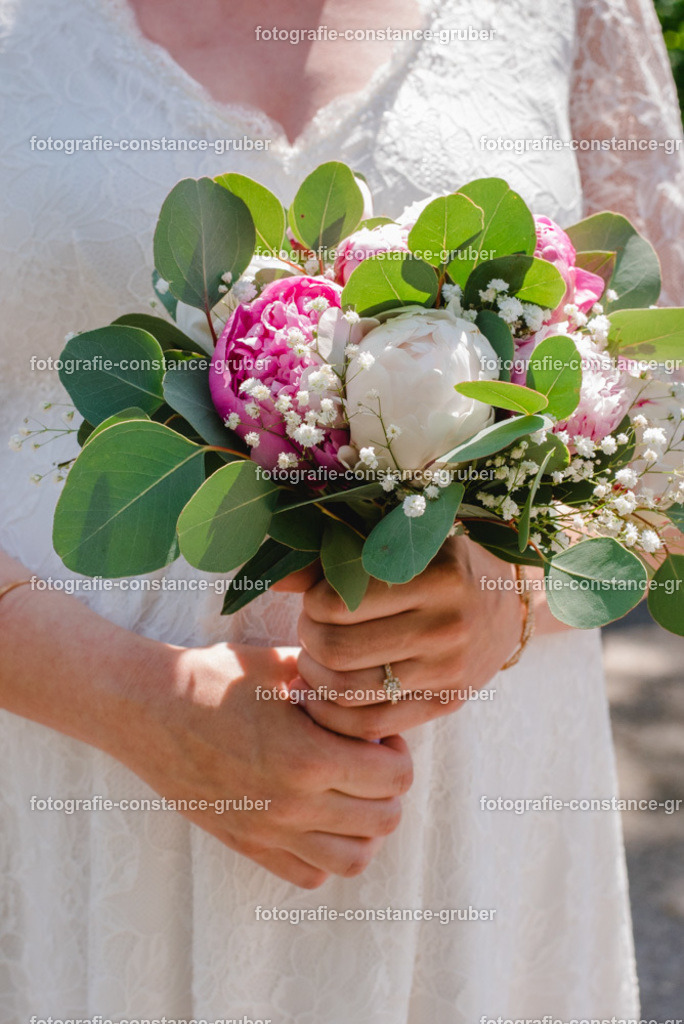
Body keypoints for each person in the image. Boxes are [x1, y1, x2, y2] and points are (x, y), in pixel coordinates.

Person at [1, 0, 682, 1018]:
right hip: (92, 799)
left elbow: (666, 406)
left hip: (477, 837)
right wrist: (139, 704)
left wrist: (518, 589)